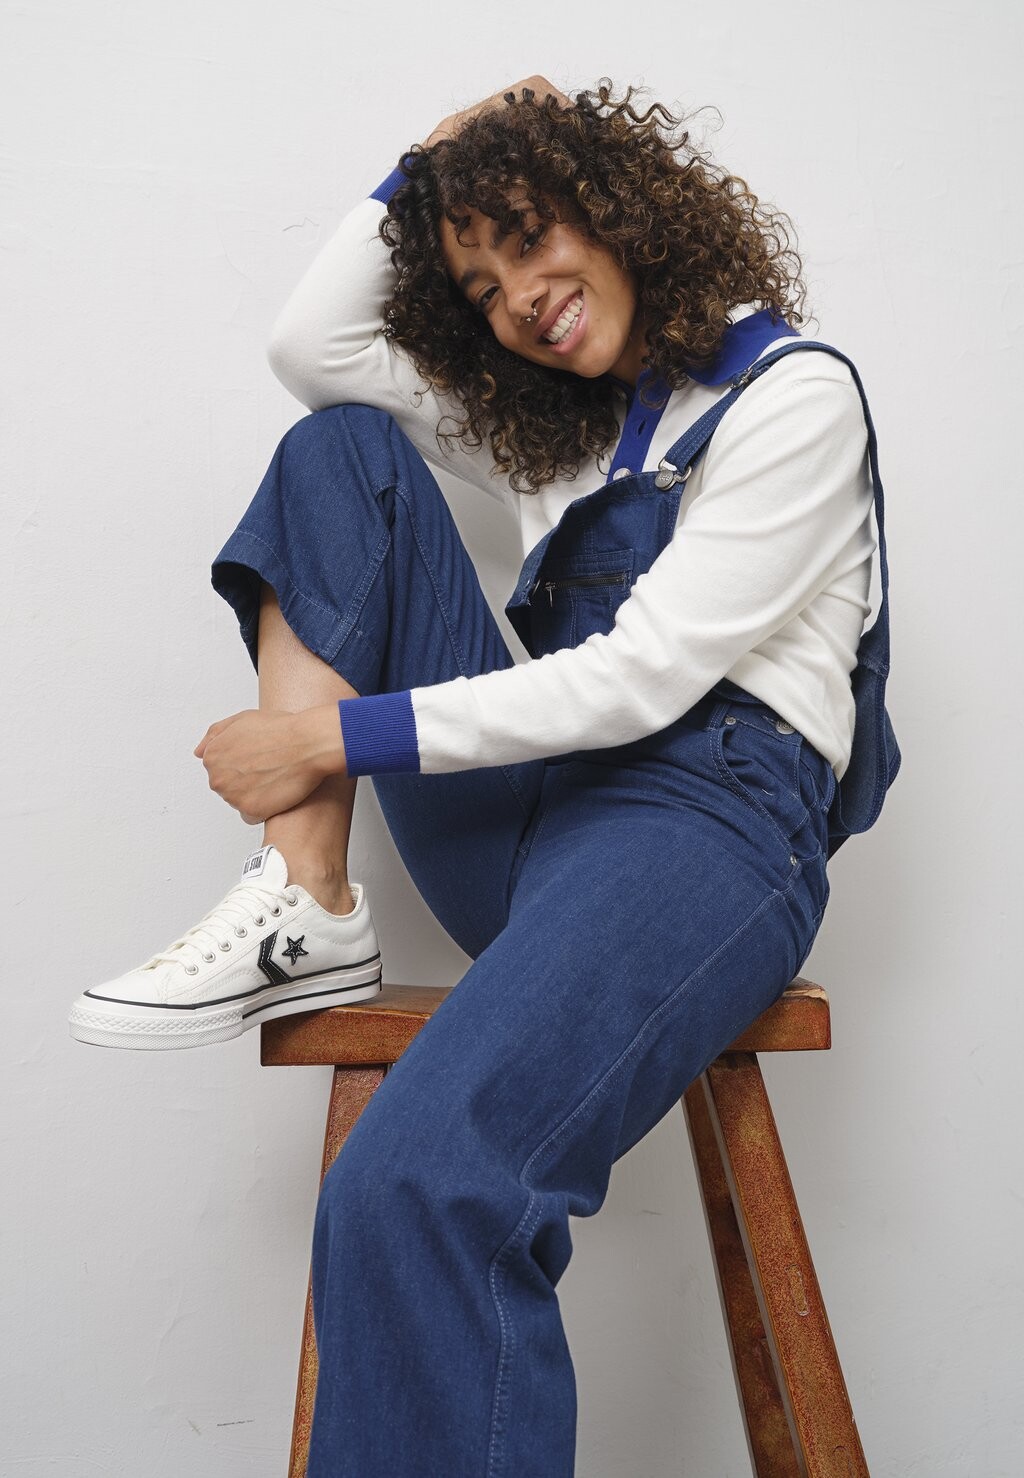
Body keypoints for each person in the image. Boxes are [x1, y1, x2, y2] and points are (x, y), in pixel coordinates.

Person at [69, 77, 879, 1474]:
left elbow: (642, 679)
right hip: (540, 825)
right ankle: (308, 893)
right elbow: (312, 347)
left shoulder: (793, 397)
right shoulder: (559, 432)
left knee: (413, 1185)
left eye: (532, 234)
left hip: (708, 835)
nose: (520, 299)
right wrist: (433, 155)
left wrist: (332, 736)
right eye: (482, 285)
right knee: (341, 450)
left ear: (621, 210)